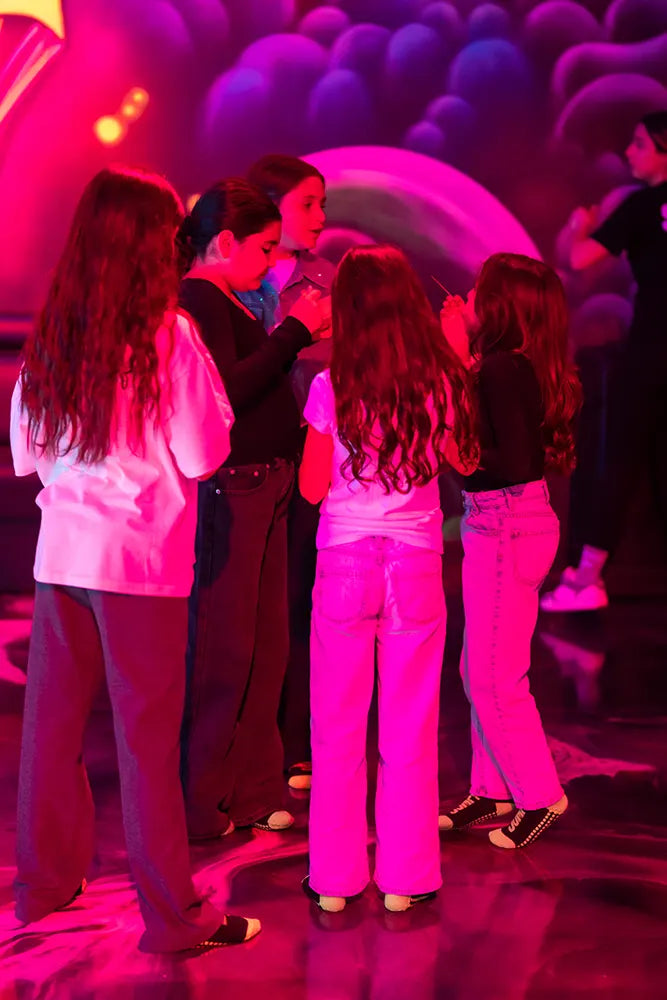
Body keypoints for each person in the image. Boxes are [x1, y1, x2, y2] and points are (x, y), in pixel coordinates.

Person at [10, 166, 259, 951]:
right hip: (141, 564)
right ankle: (175, 920)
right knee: (147, 743)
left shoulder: (58, 324)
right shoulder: (168, 332)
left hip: (64, 555)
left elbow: (27, 453)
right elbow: (200, 453)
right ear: (152, 242)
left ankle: (44, 889)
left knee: (51, 731)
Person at [300, 245, 477, 912]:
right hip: (414, 563)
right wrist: (458, 365)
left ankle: (335, 880)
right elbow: (464, 459)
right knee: (409, 725)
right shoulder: (437, 380)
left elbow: (313, 488)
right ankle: (404, 878)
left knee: (336, 726)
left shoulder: (329, 386)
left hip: (344, 559)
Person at [178, 178, 329, 841]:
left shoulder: (231, 300)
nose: (272, 262)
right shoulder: (196, 300)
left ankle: (255, 786)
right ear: (224, 242)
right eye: (264, 249)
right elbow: (225, 393)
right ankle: (201, 799)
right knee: (225, 649)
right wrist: (293, 332)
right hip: (232, 486)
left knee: (267, 646)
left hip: (266, 482)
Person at [438, 253, 581, 849]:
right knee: (480, 667)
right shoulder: (508, 367)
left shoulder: (498, 369)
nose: (464, 297)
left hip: (505, 525)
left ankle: (540, 796)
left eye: (475, 291)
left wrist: (451, 365)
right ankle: (491, 788)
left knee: (496, 677)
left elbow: (504, 464)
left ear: (498, 308)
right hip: (509, 524)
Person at [541, 110, 667, 612]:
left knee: (620, 459)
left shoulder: (641, 207)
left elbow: (580, 258)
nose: (629, 152)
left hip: (652, 351)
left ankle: (587, 579)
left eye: (639, 143)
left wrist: (579, 226)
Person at [241, 154, 335, 792]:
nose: (322, 218)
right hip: (239, 462)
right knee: (246, 603)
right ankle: (246, 740)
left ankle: (295, 740)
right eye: (307, 204)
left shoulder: (326, 282)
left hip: (311, 457)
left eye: (321, 204)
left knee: (301, 597)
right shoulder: (229, 287)